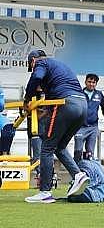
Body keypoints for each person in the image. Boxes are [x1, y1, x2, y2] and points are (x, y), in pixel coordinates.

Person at [23, 50, 90, 203]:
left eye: (31, 65)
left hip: (66, 104)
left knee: (47, 147)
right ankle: (78, 175)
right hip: (82, 105)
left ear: (33, 60)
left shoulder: (41, 63)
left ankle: (45, 192)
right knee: (59, 147)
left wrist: (27, 99)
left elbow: (37, 77)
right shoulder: (60, 66)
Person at [73, 74, 104, 162]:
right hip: (80, 127)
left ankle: (88, 173)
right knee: (78, 152)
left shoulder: (99, 95)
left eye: (93, 82)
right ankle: (76, 173)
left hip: (93, 127)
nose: (91, 84)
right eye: (89, 82)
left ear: (96, 84)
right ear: (85, 82)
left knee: (90, 153)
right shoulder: (79, 93)